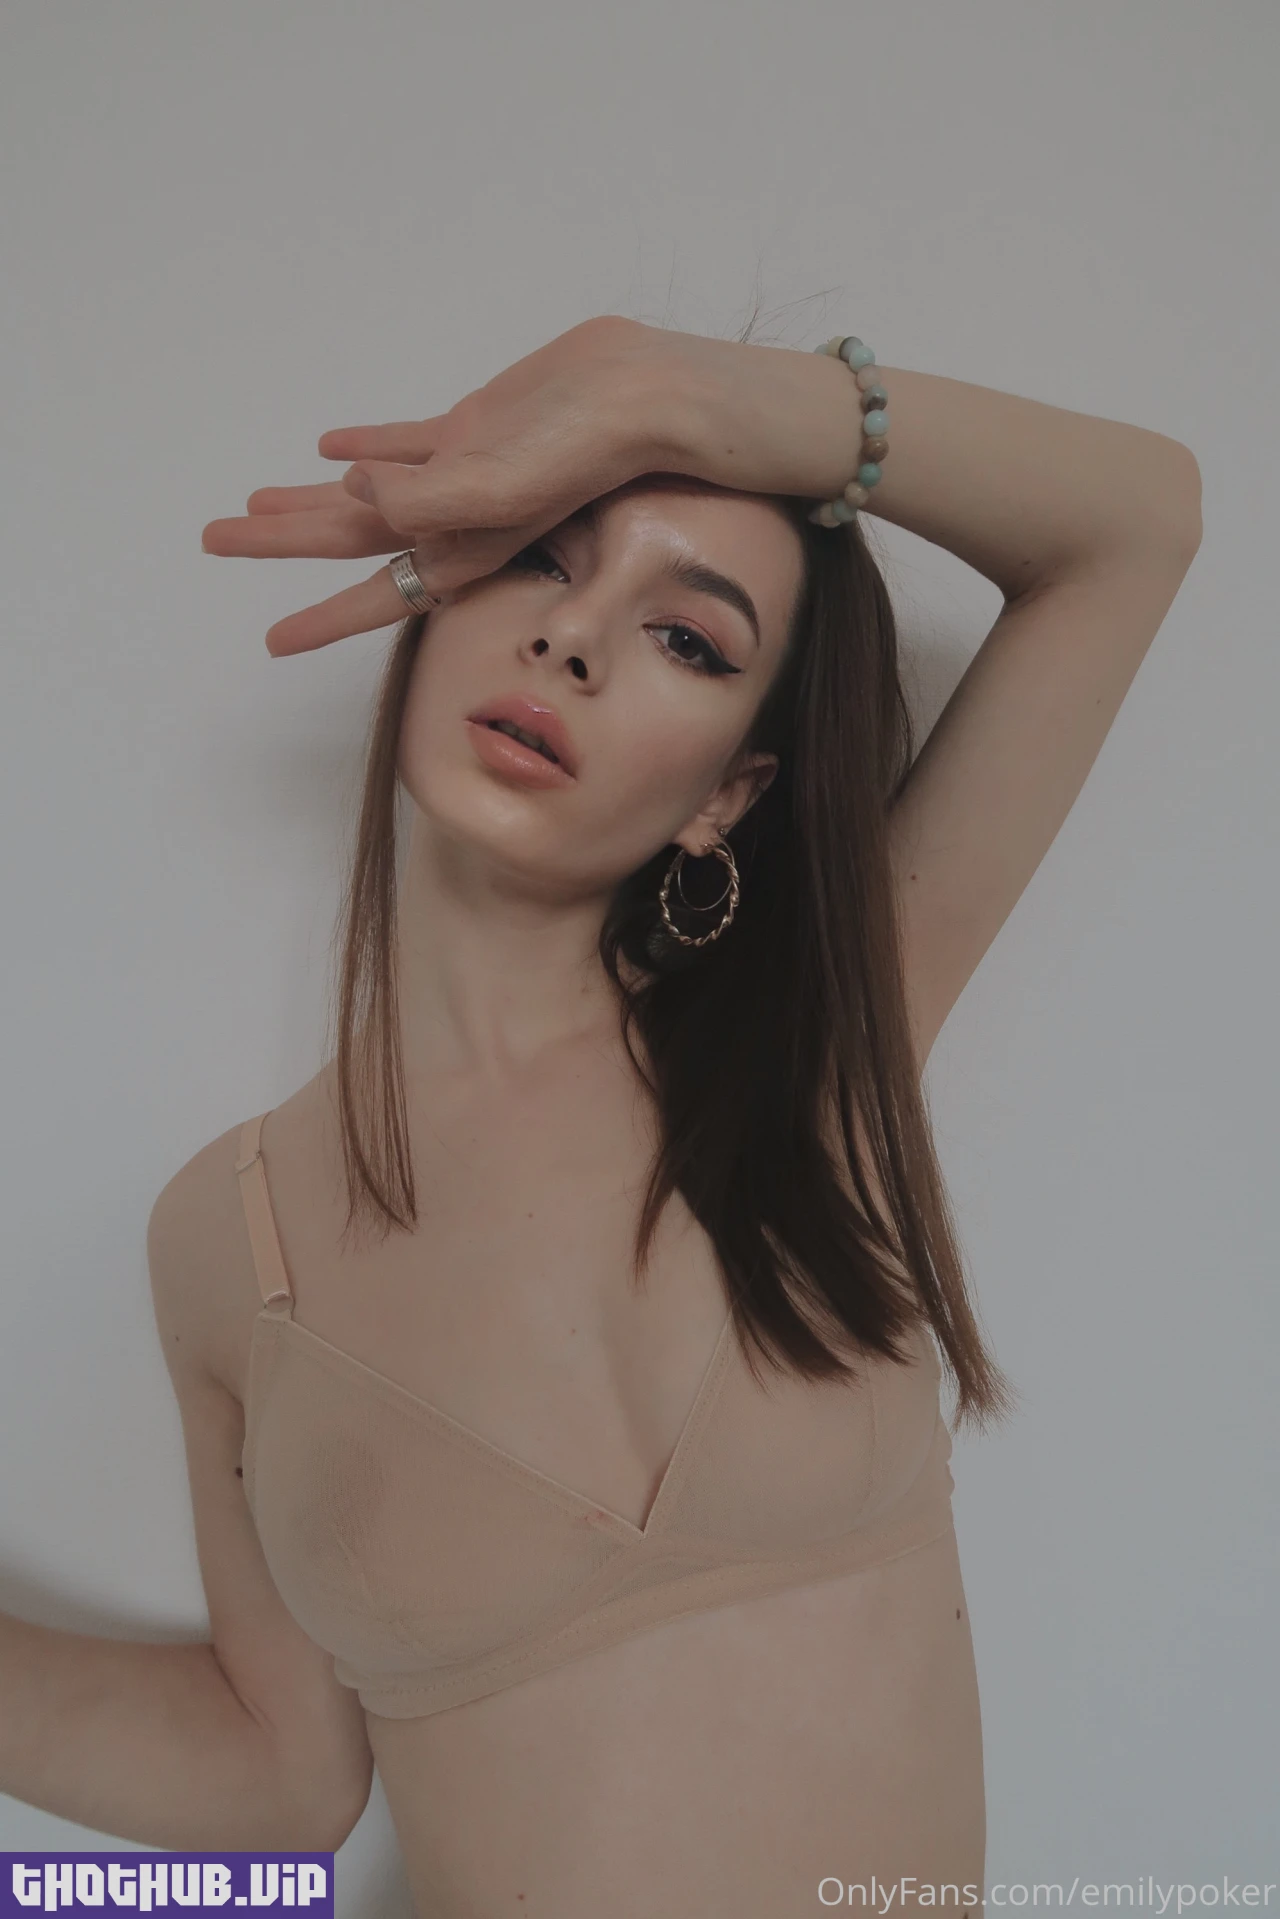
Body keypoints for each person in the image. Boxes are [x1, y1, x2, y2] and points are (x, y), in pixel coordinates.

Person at [0, 315, 1202, 1915]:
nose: (572, 640)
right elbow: (279, 1783)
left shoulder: (821, 1053)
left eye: (687, 638)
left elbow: (1133, 524)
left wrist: (671, 392)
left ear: (730, 792)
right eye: (535, 561)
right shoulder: (233, 1237)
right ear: (433, 605)